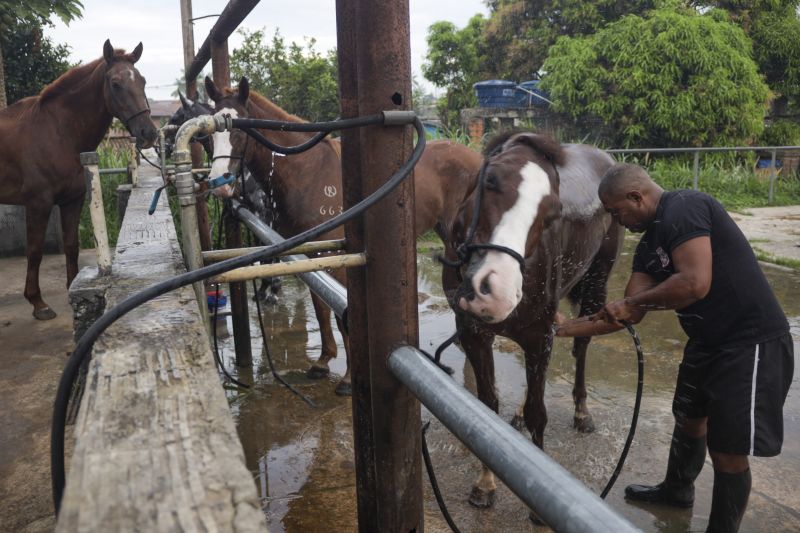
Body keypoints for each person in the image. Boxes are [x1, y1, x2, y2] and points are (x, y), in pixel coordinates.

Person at [555, 163, 794, 533]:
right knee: (688, 418)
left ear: (636, 197)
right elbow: (628, 312)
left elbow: (695, 282)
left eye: (617, 212)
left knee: (728, 451)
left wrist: (634, 303)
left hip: (750, 343)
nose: (617, 222)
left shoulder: (685, 207)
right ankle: (676, 490)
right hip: (707, 341)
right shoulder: (649, 245)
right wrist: (561, 329)